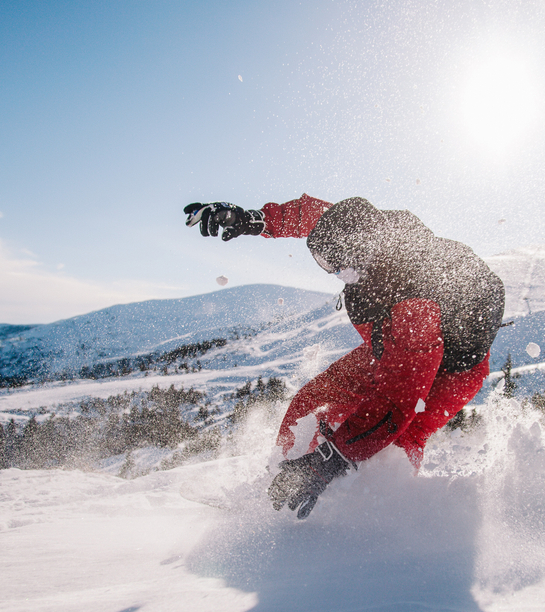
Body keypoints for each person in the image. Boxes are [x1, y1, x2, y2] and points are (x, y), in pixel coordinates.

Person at [184, 194, 505, 518]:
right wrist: (251, 220)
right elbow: (313, 216)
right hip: (394, 349)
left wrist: (329, 460)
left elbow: (395, 404)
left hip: (451, 372)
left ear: (367, 255)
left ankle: (378, 520)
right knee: (313, 399)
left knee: (398, 439)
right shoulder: (364, 229)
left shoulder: (415, 309)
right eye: (325, 263)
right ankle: (279, 483)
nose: (333, 272)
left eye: (338, 266)